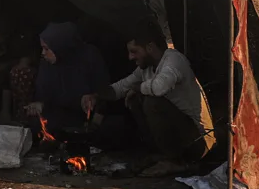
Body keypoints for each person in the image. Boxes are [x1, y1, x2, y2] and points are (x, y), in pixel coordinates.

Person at [85, 23, 215, 177]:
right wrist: (95, 96)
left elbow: (159, 88)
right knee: (135, 100)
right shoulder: (145, 69)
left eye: (134, 52)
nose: (130, 57)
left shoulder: (173, 60)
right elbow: (122, 87)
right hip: (181, 138)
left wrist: (137, 89)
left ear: (150, 47)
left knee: (152, 102)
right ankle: (162, 154)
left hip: (198, 142)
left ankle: (177, 161)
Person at [28, 22, 111, 143]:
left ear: (61, 47)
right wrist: (39, 105)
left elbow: (105, 91)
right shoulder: (47, 63)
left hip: (89, 118)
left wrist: (94, 98)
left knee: (111, 129)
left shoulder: (90, 57)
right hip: (62, 115)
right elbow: (44, 96)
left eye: (47, 49)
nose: (43, 53)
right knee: (37, 124)